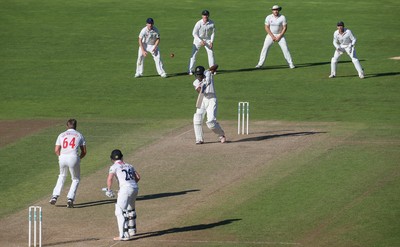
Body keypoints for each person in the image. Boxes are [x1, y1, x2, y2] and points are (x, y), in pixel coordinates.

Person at [49, 119, 87, 208]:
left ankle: (54, 196)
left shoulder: (61, 135)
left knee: (61, 176)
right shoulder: (79, 135)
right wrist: (78, 159)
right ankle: (70, 198)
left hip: (62, 157)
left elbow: (56, 150)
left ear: (67, 126)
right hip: (73, 157)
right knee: (75, 179)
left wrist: (60, 157)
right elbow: (84, 151)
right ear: (76, 126)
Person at [105, 149, 140, 241]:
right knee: (130, 208)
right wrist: (130, 185)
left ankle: (124, 235)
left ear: (112, 159)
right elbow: (138, 177)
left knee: (119, 211)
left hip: (125, 189)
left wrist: (109, 190)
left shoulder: (113, 166)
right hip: (135, 188)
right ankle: (132, 230)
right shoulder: (129, 165)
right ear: (122, 157)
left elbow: (110, 179)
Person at [192, 65, 226, 144]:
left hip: (211, 99)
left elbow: (216, 66)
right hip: (202, 98)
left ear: (202, 73)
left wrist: (209, 71)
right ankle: (199, 139)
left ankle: (221, 135)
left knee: (211, 122)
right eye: (197, 75)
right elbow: (200, 91)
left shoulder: (208, 74)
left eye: (199, 75)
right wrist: (204, 83)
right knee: (197, 118)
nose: (198, 76)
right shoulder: (195, 82)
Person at [255, 5, 295, 69]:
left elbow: (285, 28)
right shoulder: (268, 17)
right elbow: (266, 27)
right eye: (274, 10)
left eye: (277, 10)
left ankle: (291, 64)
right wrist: (272, 36)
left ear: (279, 10)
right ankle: (260, 64)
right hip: (270, 35)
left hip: (280, 35)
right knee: (265, 49)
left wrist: (279, 36)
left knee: (285, 49)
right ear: (272, 10)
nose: (275, 11)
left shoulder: (282, 17)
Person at [188, 10, 216, 75]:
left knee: (211, 54)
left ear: (208, 15)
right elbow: (194, 33)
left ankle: (212, 70)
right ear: (202, 16)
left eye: (206, 15)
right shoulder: (198, 23)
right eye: (204, 15)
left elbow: (213, 33)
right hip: (198, 39)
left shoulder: (212, 23)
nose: (205, 16)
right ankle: (190, 70)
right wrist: (200, 41)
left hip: (207, 39)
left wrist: (211, 42)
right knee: (194, 54)